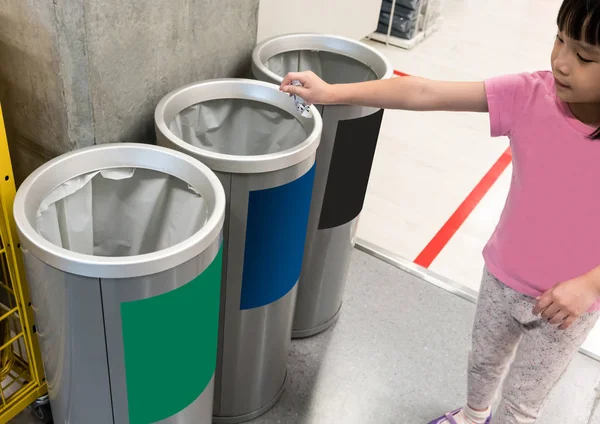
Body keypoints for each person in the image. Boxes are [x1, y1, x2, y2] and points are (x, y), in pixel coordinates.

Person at [280, 0, 600, 423]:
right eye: (559, 38)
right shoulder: (528, 95)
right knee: (482, 364)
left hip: (567, 305)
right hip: (502, 275)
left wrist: (590, 286)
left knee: (524, 403)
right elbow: (424, 91)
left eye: (583, 56)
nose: (560, 61)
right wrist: (331, 93)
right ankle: (471, 416)